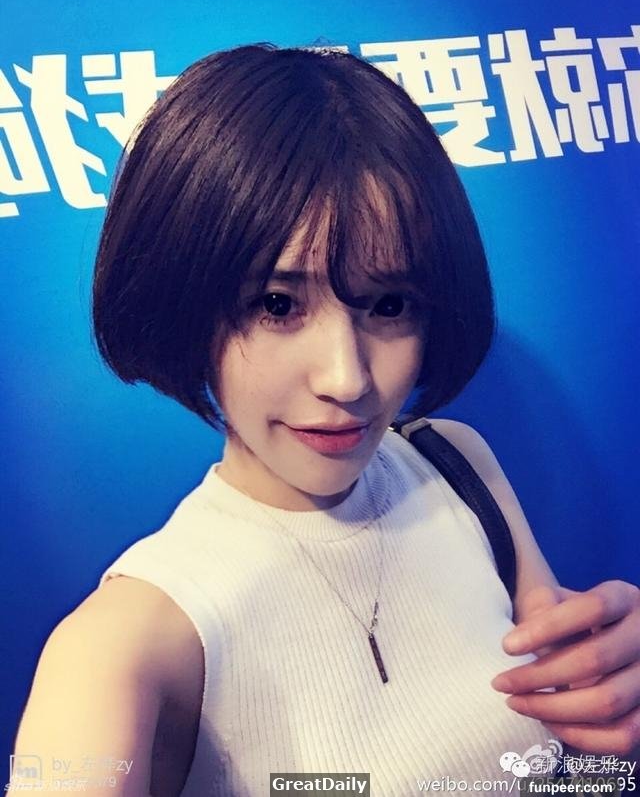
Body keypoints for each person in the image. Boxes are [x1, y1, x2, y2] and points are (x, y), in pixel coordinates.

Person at [13, 45, 640, 797]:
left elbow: (567, 770)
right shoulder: (124, 644)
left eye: (389, 305)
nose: (347, 379)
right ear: (185, 304)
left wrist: (616, 724)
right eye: (277, 304)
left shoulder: (455, 464)